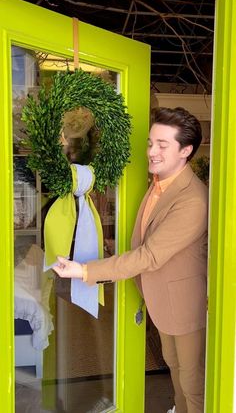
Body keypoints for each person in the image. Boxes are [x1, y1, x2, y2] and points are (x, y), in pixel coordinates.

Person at [53, 107, 208, 413]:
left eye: (163, 145)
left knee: (193, 383)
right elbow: (151, 237)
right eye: (151, 143)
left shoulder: (193, 199)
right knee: (174, 368)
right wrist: (109, 245)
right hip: (163, 301)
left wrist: (84, 270)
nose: (152, 151)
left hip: (185, 306)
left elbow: (150, 255)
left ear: (185, 151)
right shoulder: (160, 183)